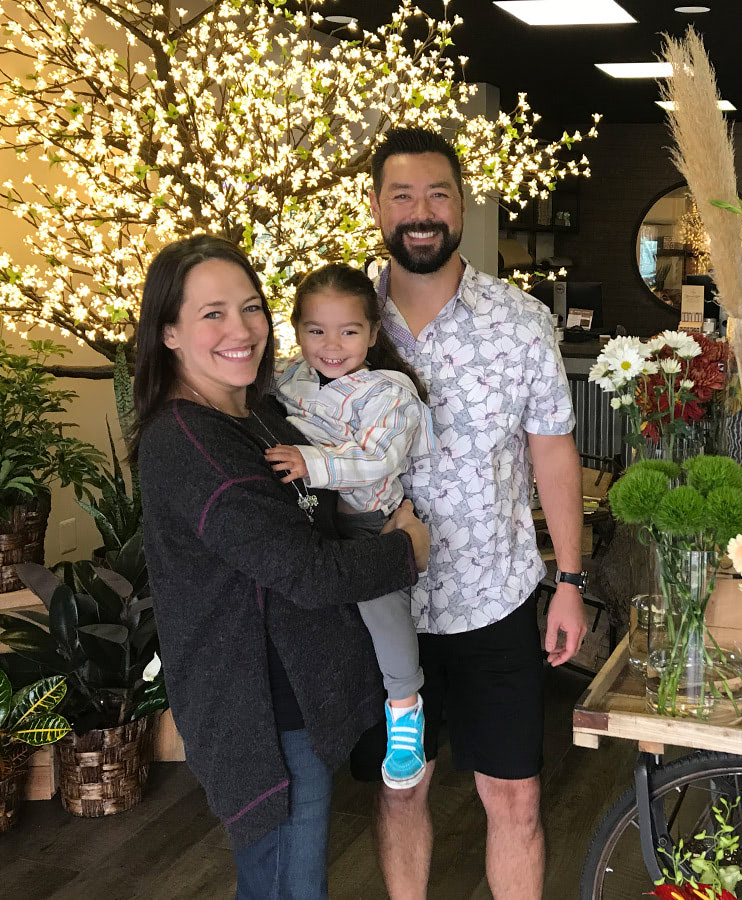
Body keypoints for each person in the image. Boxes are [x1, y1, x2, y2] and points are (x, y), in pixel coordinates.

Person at [133, 235, 430, 900]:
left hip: (295, 698)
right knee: (286, 890)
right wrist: (403, 549)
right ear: (170, 332)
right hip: (261, 716)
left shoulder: (260, 413)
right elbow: (307, 572)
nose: (241, 331)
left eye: (250, 307)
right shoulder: (190, 442)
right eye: (212, 314)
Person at [364, 126, 588, 899]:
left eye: (437, 194)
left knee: (516, 796)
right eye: (402, 196)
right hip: (381, 609)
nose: (420, 212)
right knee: (401, 791)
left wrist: (570, 581)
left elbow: (553, 454)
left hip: (495, 599)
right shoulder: (338, 323)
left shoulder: (519, 321)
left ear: (462, 206)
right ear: (376, 207)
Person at [266, 264, 436, 790]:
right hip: (304, 522)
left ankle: (406, 709)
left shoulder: (390, 392)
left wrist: (309, 461)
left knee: (381, 610)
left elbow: (378, 458)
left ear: (373, 334)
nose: (331, 345)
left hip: (367, 522)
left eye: (349, 331)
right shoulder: (287, 380)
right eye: (316, 330)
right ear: (295, 331)